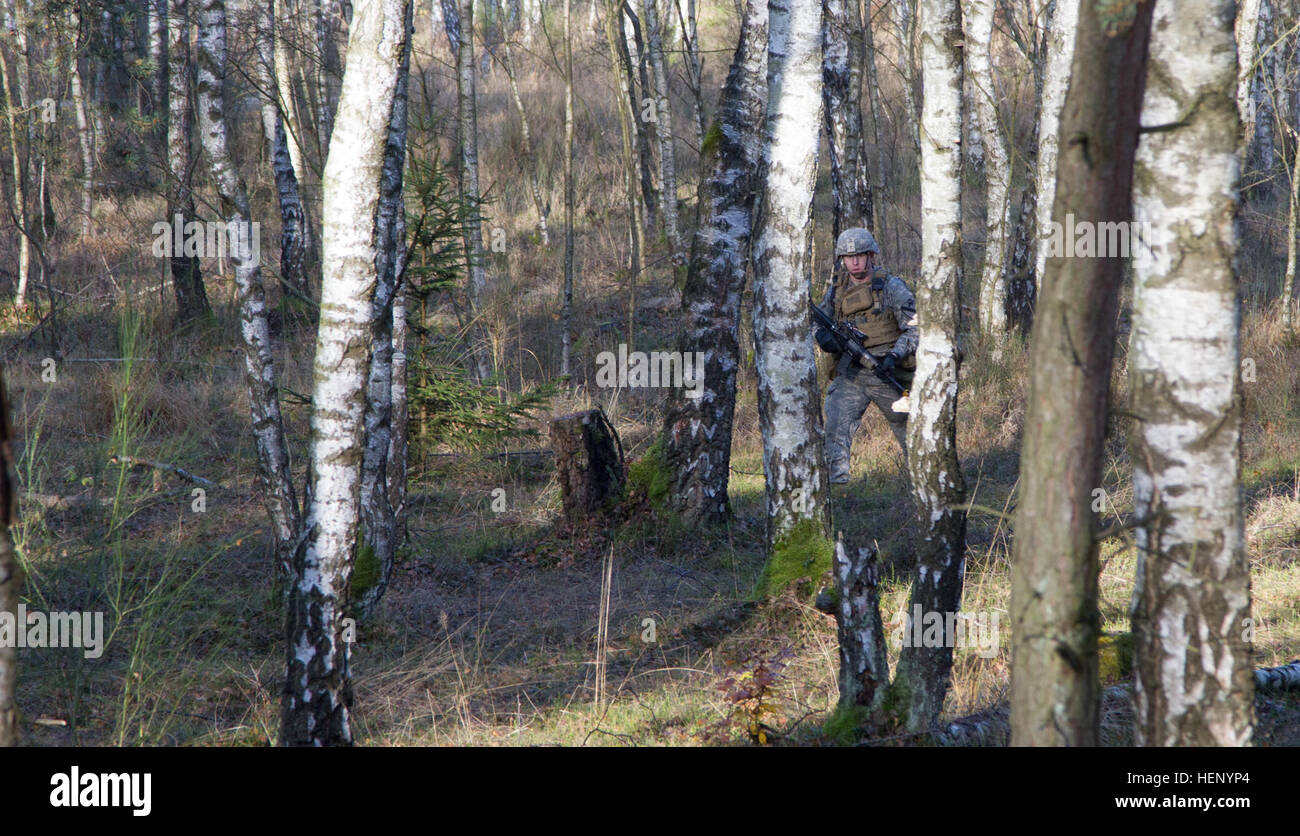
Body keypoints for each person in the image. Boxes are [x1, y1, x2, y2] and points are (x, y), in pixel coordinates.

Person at [815, 227, 918, 485]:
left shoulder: (891, 287)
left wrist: (894, 356)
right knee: (836, 429)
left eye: (860, 255)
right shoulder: (836, 292)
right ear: (842, 259)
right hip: (851, 374)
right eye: (849, 257)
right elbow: (817, 321)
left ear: (871, 255)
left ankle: (922, 483)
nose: (855, 262)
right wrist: (823, 338)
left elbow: (915, 329)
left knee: (911, 432)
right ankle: (836, 489)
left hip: (886, 372)